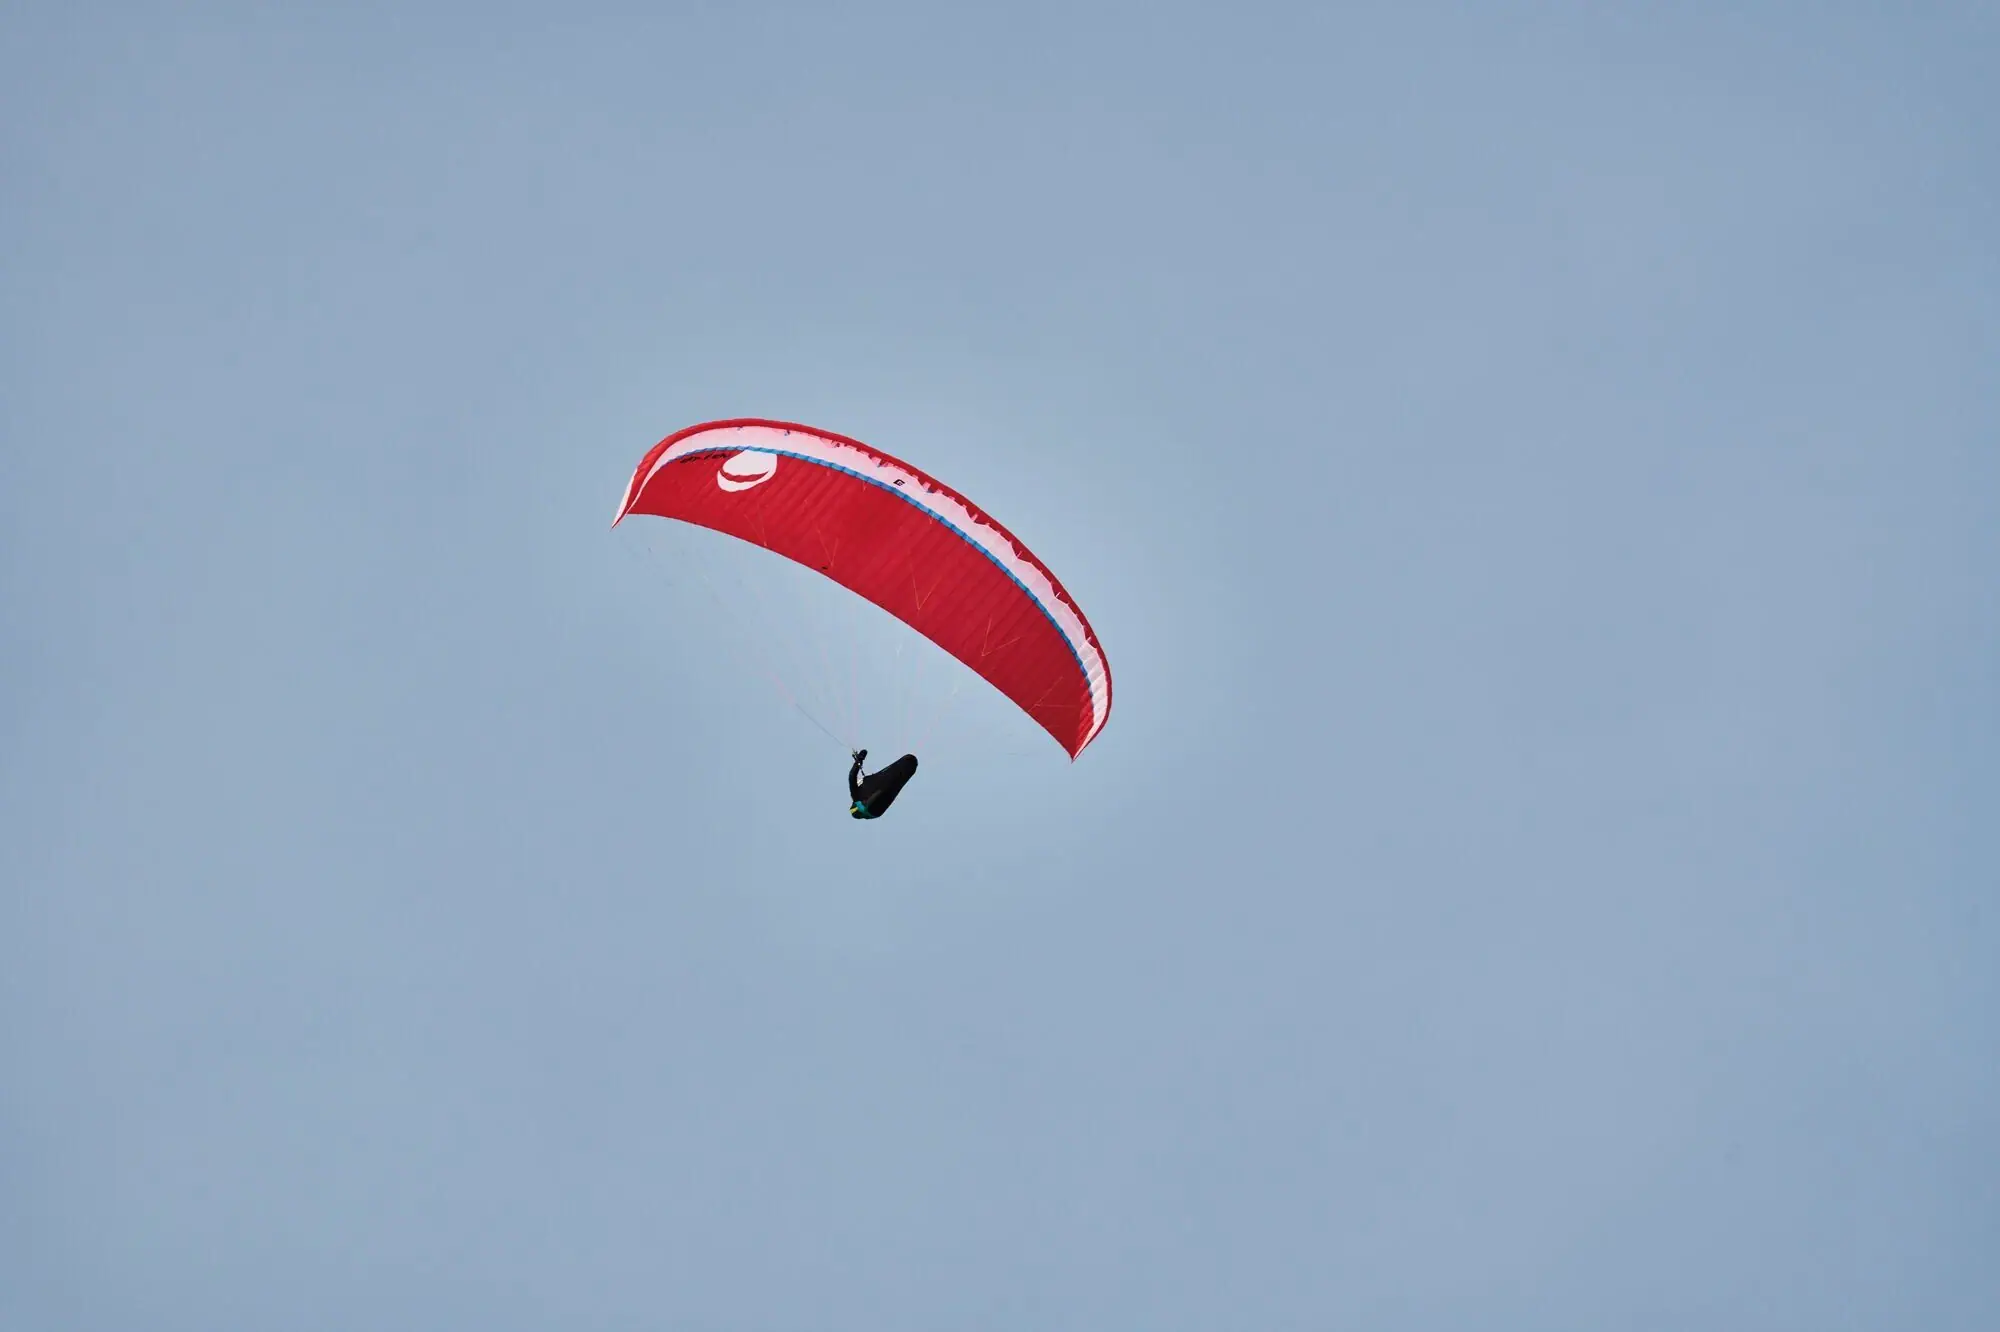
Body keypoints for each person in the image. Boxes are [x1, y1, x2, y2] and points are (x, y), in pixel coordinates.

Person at [848, 749, 918, 819]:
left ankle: (867, 806)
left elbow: (852, 776)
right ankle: (865, 806)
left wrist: (859, 760)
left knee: (890, 783)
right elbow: (852, 776)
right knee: (889, 783)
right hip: (872, 805)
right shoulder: (856, 795)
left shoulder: (859, 791)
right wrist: (859, 759)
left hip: (876, 809)